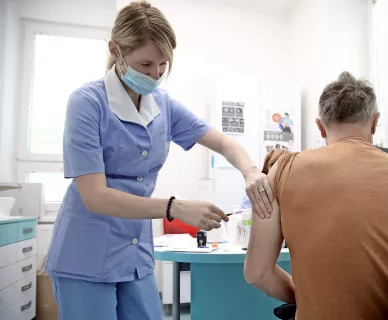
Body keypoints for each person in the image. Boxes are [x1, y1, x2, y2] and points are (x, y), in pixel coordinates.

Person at [44, 2, 274, 319]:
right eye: (145, 64)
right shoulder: (87, 103)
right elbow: (95, 197)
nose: (156, 75)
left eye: (163, 64)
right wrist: (174, 207)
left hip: (134, 253)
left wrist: (250, 171)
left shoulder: (163, 106)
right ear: (116, 50)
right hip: (85, 252)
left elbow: (221, 141)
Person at [244, 72, 388, 320]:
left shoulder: (283, 171)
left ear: (320, 127)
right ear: (374, 123)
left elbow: (257, 273)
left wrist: (310, 299)